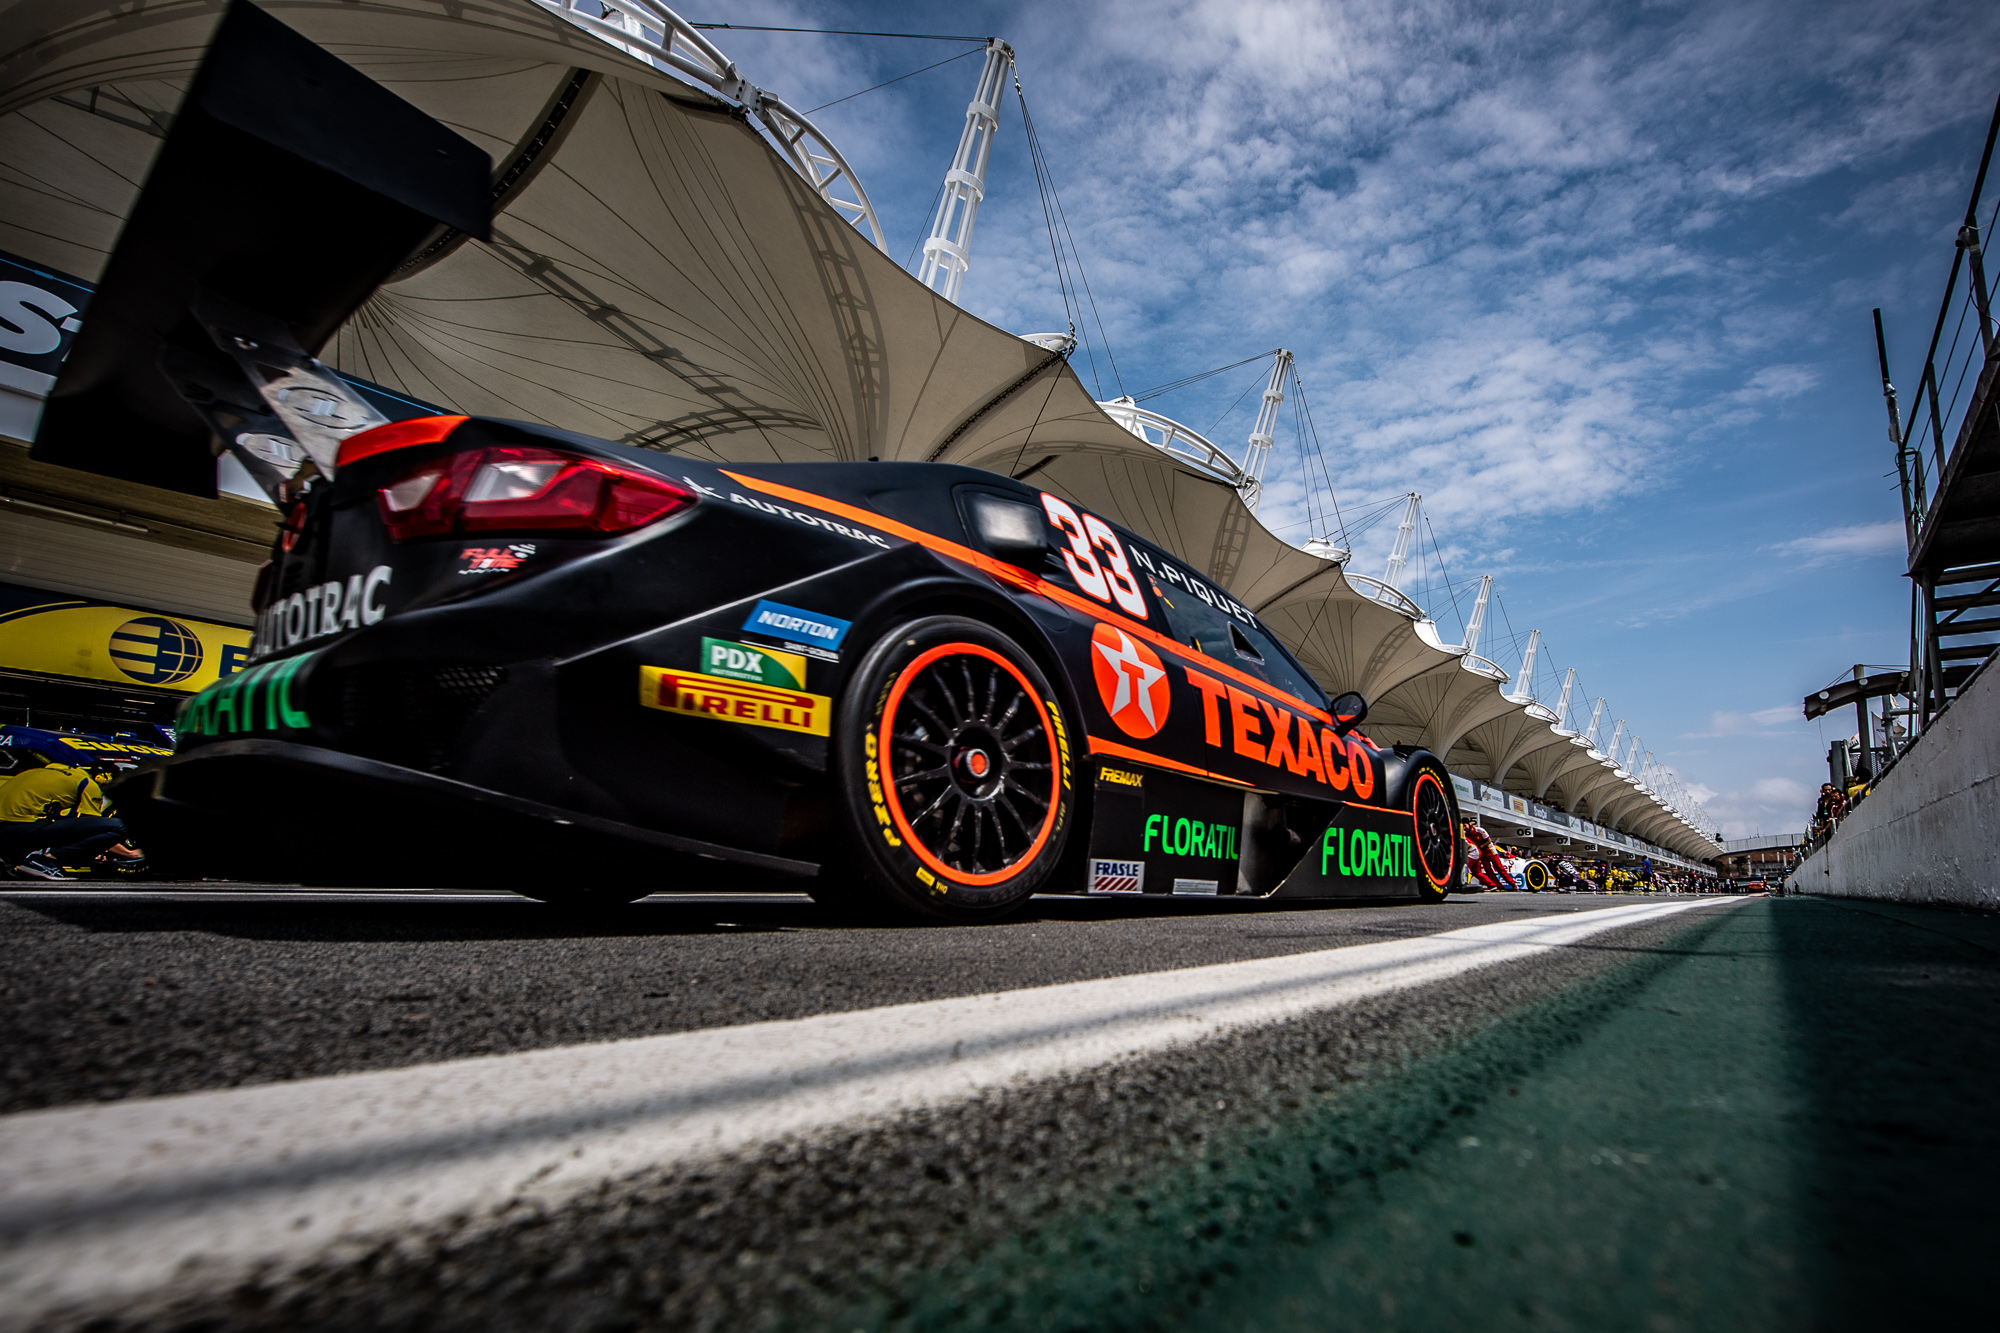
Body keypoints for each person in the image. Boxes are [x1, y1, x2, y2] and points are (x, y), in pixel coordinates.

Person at [0, 751, 136, 880]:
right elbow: (90, 828)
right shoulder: (88, 783)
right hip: (23, 829)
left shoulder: (37, 772)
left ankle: (9, 861)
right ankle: (46, 861)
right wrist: (127, 853)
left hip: (6, 830)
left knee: (44, 820)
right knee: (122, 826)